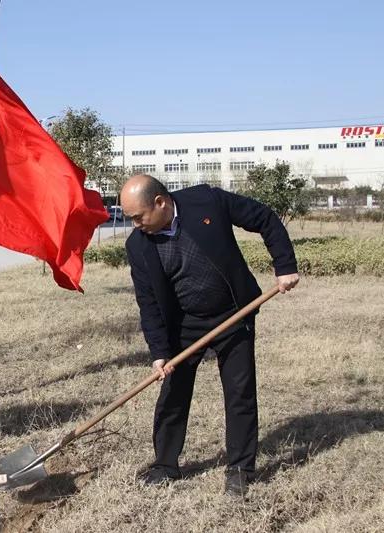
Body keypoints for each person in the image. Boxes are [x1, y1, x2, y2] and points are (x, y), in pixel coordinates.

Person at [120, 175, 299, 497]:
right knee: (173, 393)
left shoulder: (207, 201)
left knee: (240, 392)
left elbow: (263, 218)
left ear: (160, 203)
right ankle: (165, 465)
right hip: (184, 325)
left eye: (138, 217)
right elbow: (148, 304)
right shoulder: (138, 245)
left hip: (233, 314)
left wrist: (284, 264)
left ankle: (240, 469)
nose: (135, 225)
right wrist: (159, 352)